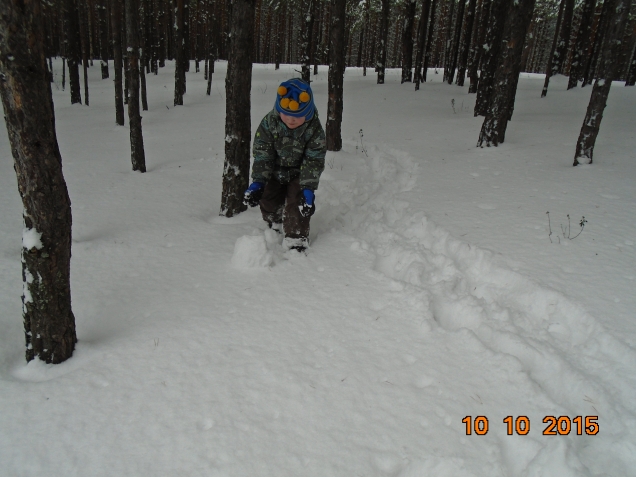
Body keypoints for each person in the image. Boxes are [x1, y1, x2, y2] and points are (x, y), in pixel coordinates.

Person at [243, 78, 326, 253]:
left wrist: (308, 188)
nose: (291, 120)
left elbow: (314, 159)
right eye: (286, 114)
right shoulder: (269, 123)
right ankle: (274, 222)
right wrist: (258, 181)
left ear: (308, 112)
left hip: (299, 173)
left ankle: (296, 238)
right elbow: (262, 154)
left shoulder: (314, 129)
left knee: (297, 203)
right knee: (268, 198)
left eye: (297, 116)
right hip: (274, 170)